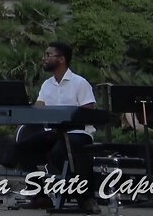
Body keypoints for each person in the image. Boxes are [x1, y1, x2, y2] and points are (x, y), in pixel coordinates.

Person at [15, 42, 97, 178]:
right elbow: (38, 108)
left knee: (58, 150)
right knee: (21, 148)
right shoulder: (47, 85)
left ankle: (76, 189)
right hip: (52, 134)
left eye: (48, 55)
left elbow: (88, 111)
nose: (44, 58)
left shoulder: (80, 82)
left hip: (77, 133)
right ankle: (39, 195)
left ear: (61, 59)